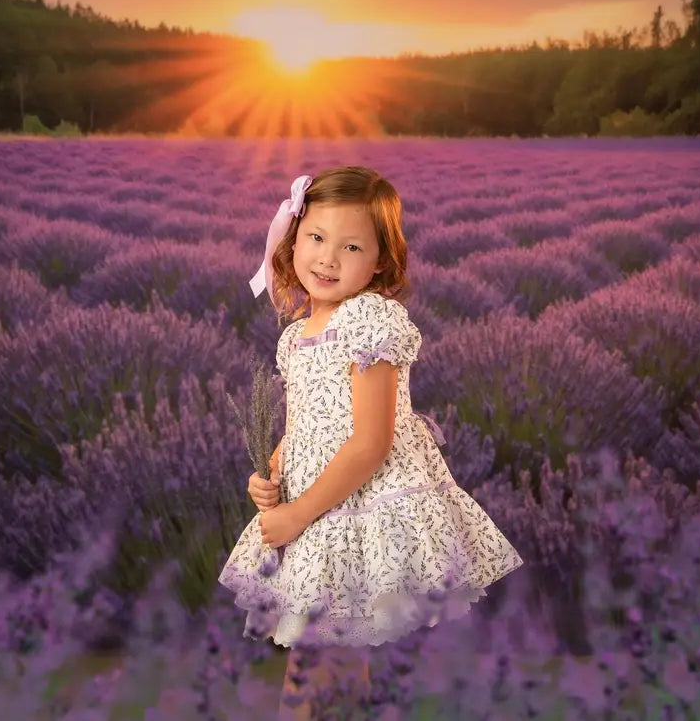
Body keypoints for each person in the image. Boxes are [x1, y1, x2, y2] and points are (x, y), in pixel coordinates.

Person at [217, 167, 524, 720]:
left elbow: (371, 442)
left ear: (381, 259)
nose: (328, 258)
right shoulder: (296, 336)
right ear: (293, 237)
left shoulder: (370, 320)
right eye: (315, 238)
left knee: (312, 667)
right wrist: (272, 476)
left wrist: (296, 516)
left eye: (351, 245)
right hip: (318, 511)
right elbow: (304, 426)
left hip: (356, 514)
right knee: (337, 665)